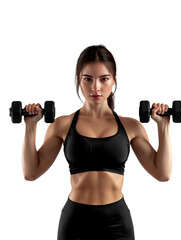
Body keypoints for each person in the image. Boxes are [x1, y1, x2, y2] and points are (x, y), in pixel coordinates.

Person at [22, 45, 172, 240]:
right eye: (88, 79)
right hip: (75, 222)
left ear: (114, 80)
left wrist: (163, 126)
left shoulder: (131, 127)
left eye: (104, 79)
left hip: (117, 223)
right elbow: (31, 172)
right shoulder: (62, 125)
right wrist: (30, 126)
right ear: (78, 80)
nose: (95, 88)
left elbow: (162, 173)